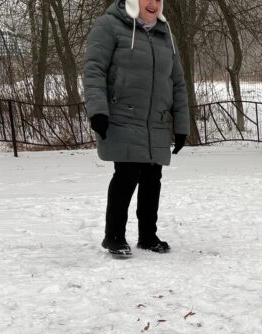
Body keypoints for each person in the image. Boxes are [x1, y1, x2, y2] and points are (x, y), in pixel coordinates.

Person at [83, 0, 190, 257]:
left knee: (153, 177)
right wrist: (98, 110)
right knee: (127, 174)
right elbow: (94, 70)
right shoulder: (109, 26)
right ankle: (114, 236)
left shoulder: (166, 34)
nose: (153, 4)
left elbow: (177, 83)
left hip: (156, 121)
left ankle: (148, 236)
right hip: (123, 116)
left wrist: (182, 124)